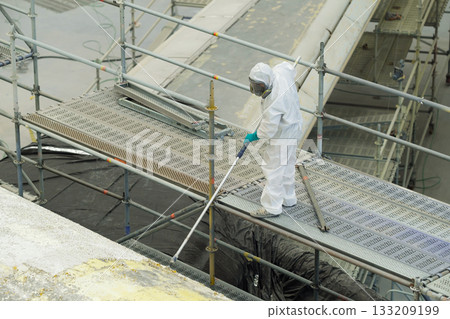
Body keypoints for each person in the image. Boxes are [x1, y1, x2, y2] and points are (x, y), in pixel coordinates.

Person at [244, 61, 303, 218]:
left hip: (282, 135)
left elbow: (268, 129)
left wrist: (254, 136)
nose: (257, 90)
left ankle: (271, 207)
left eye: (259, 87)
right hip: (294, 127)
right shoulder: (279, 72)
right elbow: (289, 67)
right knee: (287, 165)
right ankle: (288, 198)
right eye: (255, 86)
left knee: (274, 168)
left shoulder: (274, 99)